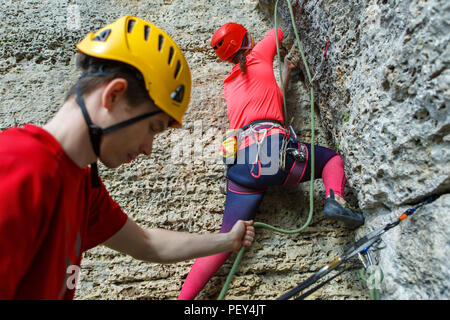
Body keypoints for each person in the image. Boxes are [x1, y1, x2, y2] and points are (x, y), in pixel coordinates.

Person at [0, 16, 255, 300]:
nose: (148, 148)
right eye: (152, 128)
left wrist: (229, 240)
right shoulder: (17, 166)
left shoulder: (83, 187)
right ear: (114, 95)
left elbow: (147, 243)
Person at [177, 23, 364, 300]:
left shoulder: (230, 85)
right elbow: (279, 30)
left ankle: (183, 299)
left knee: (224, 239)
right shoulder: (258, 55)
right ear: (246, 40)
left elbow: (270, 104)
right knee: (330, 159)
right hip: (274, 154)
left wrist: (286, 71)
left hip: (242, 167)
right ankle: (335, 199)